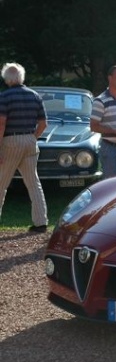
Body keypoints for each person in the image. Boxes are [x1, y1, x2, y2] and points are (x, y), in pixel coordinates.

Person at [0, 62, 48, 233]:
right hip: (30, 140)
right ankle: (41, 222)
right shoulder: (35, 96)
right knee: (33, 183)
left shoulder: (4, 97)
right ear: (22, 77)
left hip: (10, 141)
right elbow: (43, 124)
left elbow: (1, 123)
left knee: (1, 183)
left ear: (7, 79)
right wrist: (32, 138)